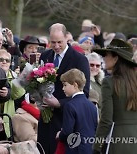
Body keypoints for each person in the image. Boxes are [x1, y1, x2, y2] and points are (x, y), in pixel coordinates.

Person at [38, 23, 90, 154]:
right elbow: (39, 82)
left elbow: (84, 93)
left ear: (67, 37)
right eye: (53, 42)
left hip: (66, 121)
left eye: (59, 42)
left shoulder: (79, 60)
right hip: (46, 119)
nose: (56, 46)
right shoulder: (45, 56)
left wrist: (59, 103)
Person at [92, 39, 137, 154]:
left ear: (116, 58)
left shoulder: (109, 82)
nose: (104, 58)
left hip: (118, 141)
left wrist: (97, 146)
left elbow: (106, 119)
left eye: (106, 55)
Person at [55, 68, 97, 154]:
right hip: (89, 149)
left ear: (75, 85)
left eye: (65, 85)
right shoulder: (92, 106)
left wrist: (60, 134)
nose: (63, 88)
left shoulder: (70, 105)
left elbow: (67, 132)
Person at [0, 49, 25, 138]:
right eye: (1, 60)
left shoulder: (13, 75)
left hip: (6, 116)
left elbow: (18, 94)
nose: (4, 62)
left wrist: (16, 78)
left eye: (7, 60)